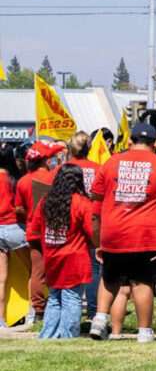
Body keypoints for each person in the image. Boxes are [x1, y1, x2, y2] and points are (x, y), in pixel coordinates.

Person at [89, 123, 156, 343]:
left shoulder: (110, 162)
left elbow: (95, 201)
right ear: (154, 144)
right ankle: (144, 332)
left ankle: (99, 318)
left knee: (110, 277)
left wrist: (98, 239)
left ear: (131, 141)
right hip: (146, 233)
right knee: (142, 282)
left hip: (112, 231)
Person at [26, 164, 96, 338]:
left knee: (55, 298)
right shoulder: (82, 203)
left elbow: (34, 231)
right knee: (72, 298)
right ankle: (67, 336)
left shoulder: (45, 201)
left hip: (52, 257)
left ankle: (47, 335)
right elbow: (92, 232)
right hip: (75, 259)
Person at [15, 141, 64, 320]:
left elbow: (18, 209)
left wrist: (30, 213)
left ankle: (39, 310)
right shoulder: (54, 176)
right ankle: (57, 305)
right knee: (58, 270)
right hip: (55, 230)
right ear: (45, 160)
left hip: (33, 231)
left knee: (37, 272)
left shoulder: (22, 181)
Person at [65, 131, 102, 319]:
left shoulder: (65, 168)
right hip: (92, 219)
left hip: (68, 220)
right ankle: (94, 311)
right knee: (94, 267)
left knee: (69, 265)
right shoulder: (98, 168)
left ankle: (70, 309)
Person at [0, 163, 27, 329]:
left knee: (1, 280)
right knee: (35, 270)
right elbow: (19, 206)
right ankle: (33, 313)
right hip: (13, 226)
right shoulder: (9, 179)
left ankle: (0, 321)